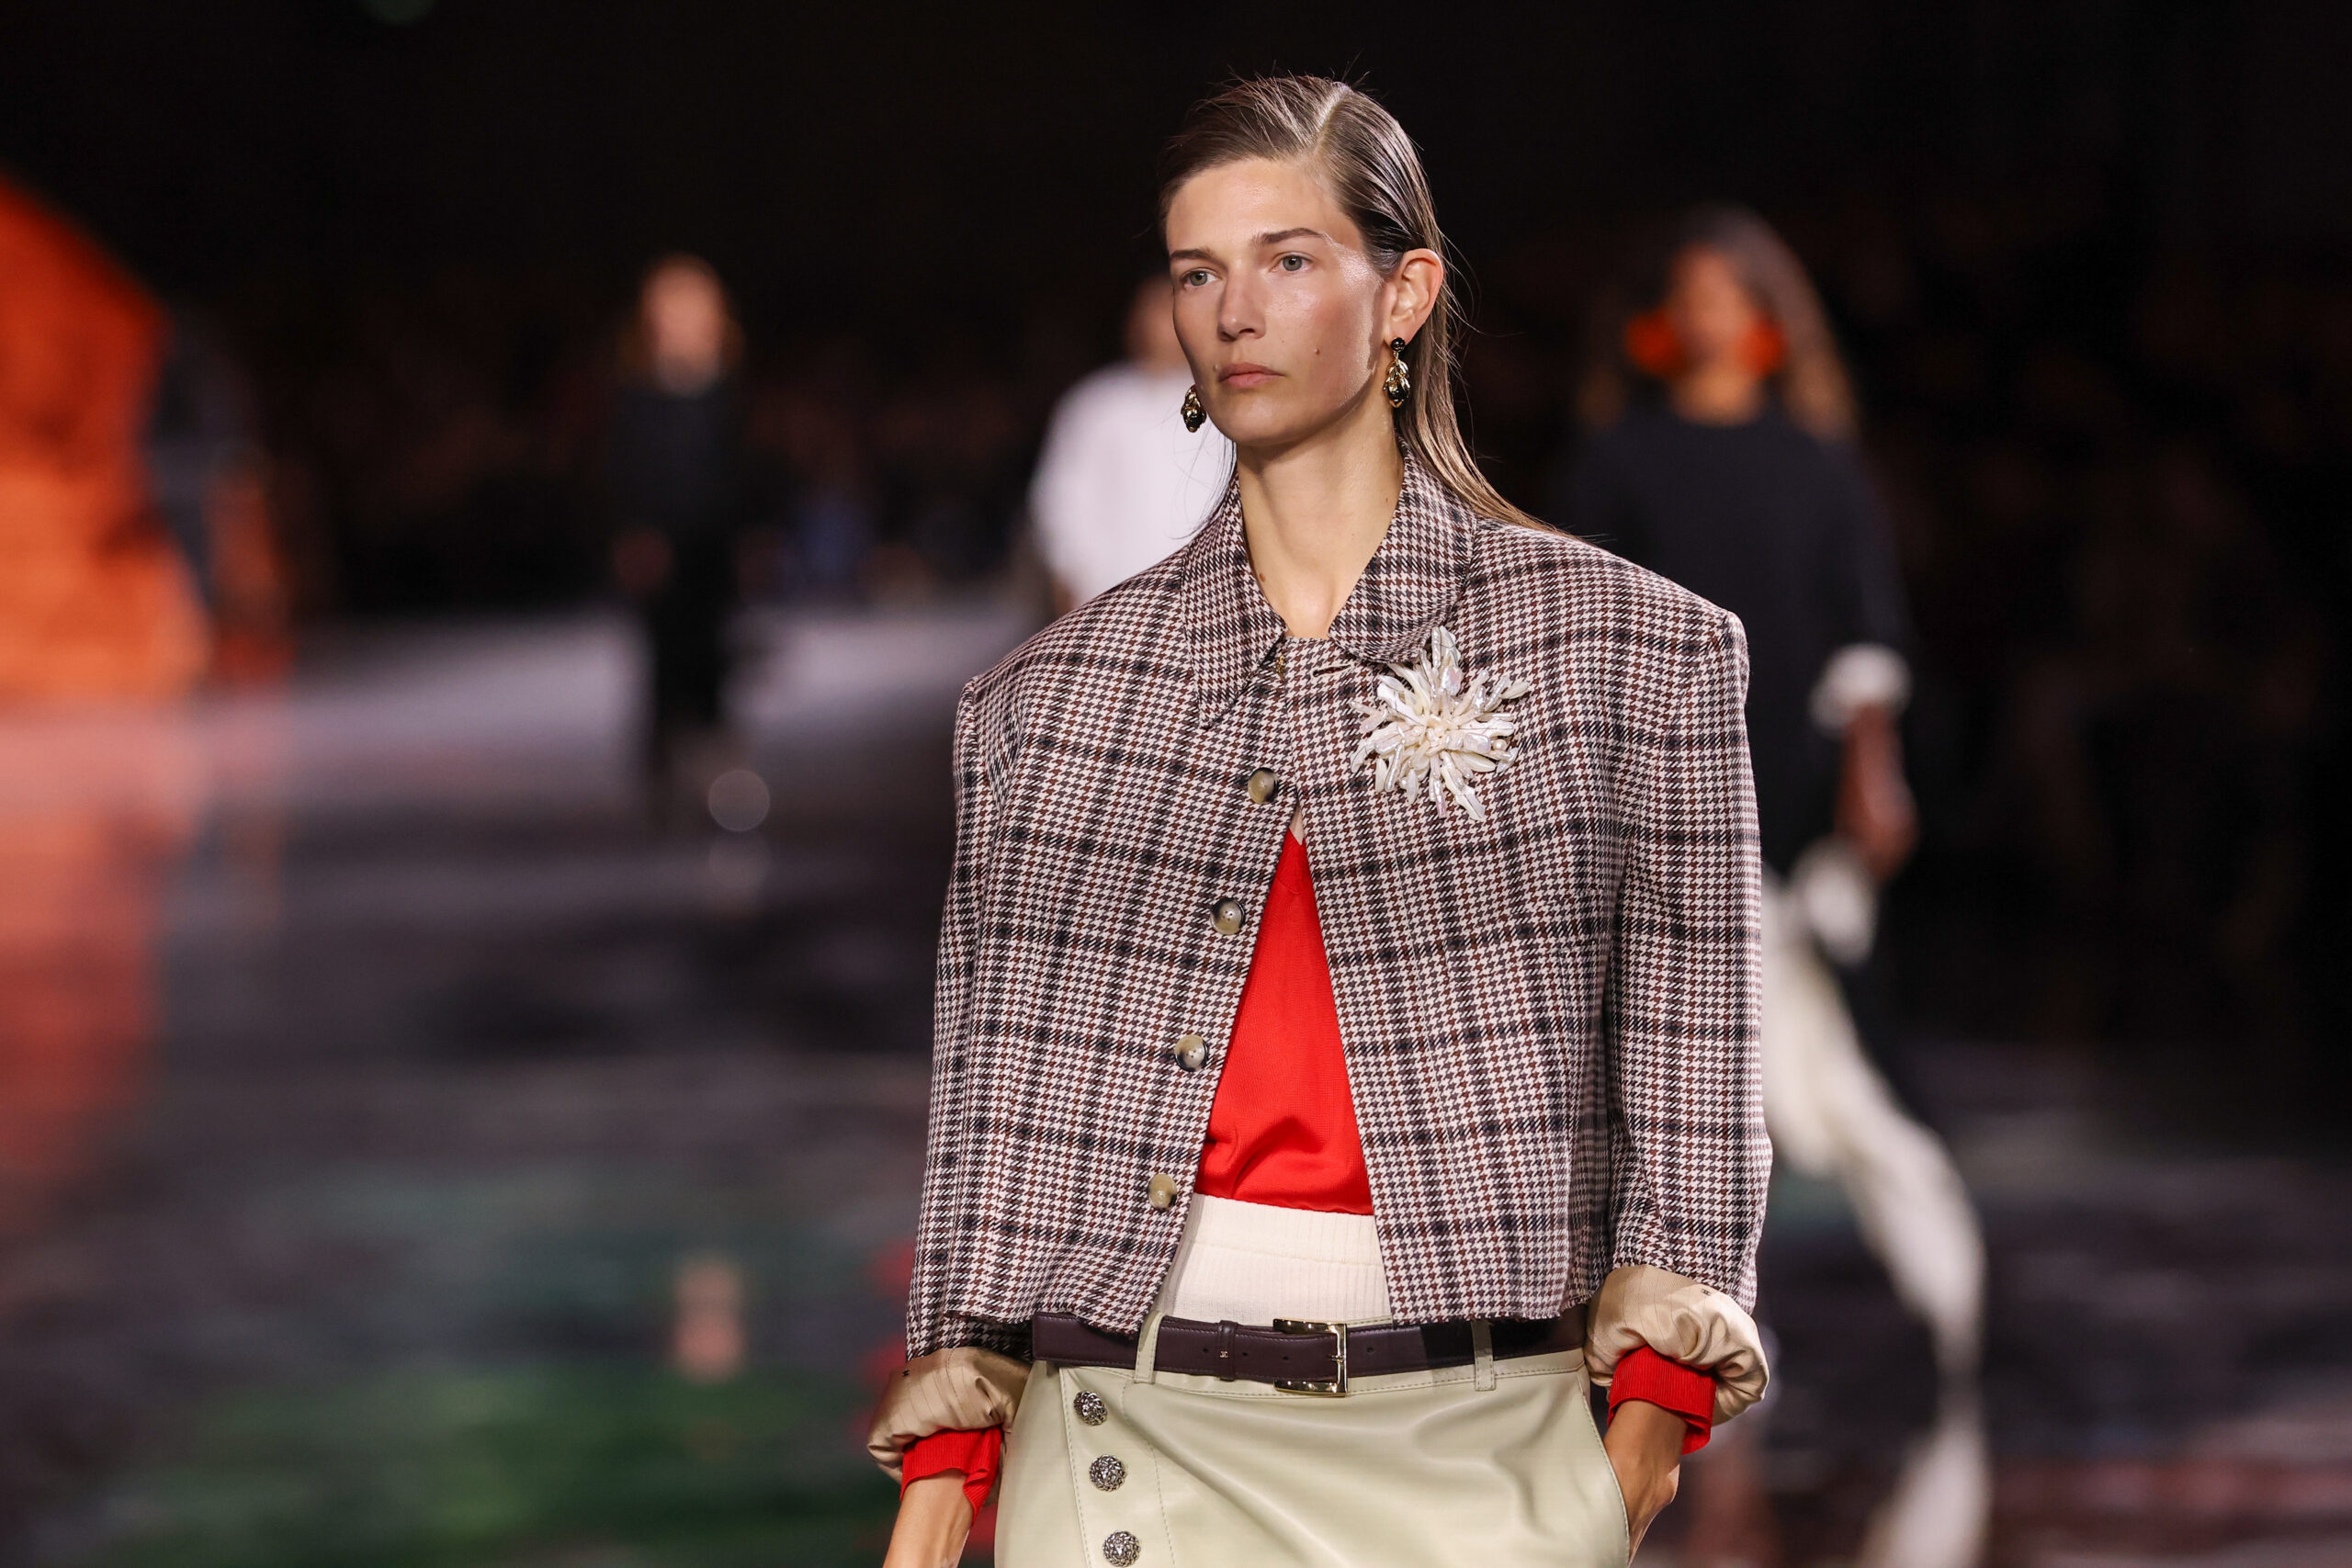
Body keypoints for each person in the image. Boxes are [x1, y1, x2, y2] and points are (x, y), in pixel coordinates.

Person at [869, 78, 1770, 1568]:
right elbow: (997, 1115)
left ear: (1404, 293)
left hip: (1484, 1449)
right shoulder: (1043, 705)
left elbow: (1692, 1047)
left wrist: (1640, 1440)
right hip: (1124, 1446)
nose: (1234, 311)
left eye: (1288, 260)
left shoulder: (1628, 656)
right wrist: (942, 1474)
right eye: (1198, 272)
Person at [1560, 208, 1987, 1568]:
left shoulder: (1814, 460)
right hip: (1664, 807)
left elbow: (1862, 631)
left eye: (1724, 293)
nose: (1703, 315)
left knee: (1832, 1074)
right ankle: (1706, 1334)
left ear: (1763, 316)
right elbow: (1579, 625)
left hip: (1793, 819)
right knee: (1690, 1079)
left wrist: (1873, 772)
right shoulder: (1621, 458)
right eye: (1683, 292)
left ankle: (1946, 1302)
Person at [605, 254, 749, 811]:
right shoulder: (639, 395)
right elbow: (626, 473)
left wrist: (750, 537)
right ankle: (663, 770)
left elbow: (740, 472)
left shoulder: (726, 392)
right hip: (659, 548)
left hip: (712, 545)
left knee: (712, 652)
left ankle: (713, 767)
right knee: (664, 656)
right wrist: (633, 534)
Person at [1029, 276, 1234, 611]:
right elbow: (1065, 502)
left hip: (1213, 597)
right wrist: (1071, 582)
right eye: (1158, 312)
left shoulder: (1228, 402)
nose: (1169, 324)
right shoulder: (1099, 403)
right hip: (1113, 598)